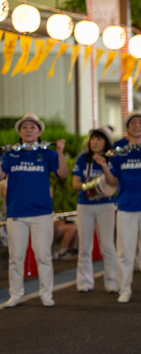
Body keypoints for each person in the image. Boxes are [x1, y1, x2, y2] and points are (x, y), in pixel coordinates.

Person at [0, 113, 68, 309]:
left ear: (39, 132)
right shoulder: (10, 154)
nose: (29, 130)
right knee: (16, 258)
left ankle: (46, 294)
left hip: (42, 213)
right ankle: (16, 295)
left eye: (33, 127)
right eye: (25, 127)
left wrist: (61, 153)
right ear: (20, 132)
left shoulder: (48, 153)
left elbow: (62, 174)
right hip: (16, 213)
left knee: (43, 256)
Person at [102, 112, 141, 303]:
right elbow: (113, 180)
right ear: (127, 127)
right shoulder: (119, 147)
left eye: (140, 123)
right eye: (133, 123)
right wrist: (104, 167)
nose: (137, 126)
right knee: (125, 250)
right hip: (125, 204)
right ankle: (125, 289)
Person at [71, 126, 119, 293]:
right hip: (84, 206)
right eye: (93, 138)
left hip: (105, 205)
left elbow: (113, 183)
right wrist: (89, 186)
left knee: (107, 246)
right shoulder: (82, 159)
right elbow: (75, 183)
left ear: (106, 142)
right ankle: (84, 282)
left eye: (99, 138)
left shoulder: (112, 158)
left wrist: (104, 166)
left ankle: (112, 281)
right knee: (84, 246)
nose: (95, 141)